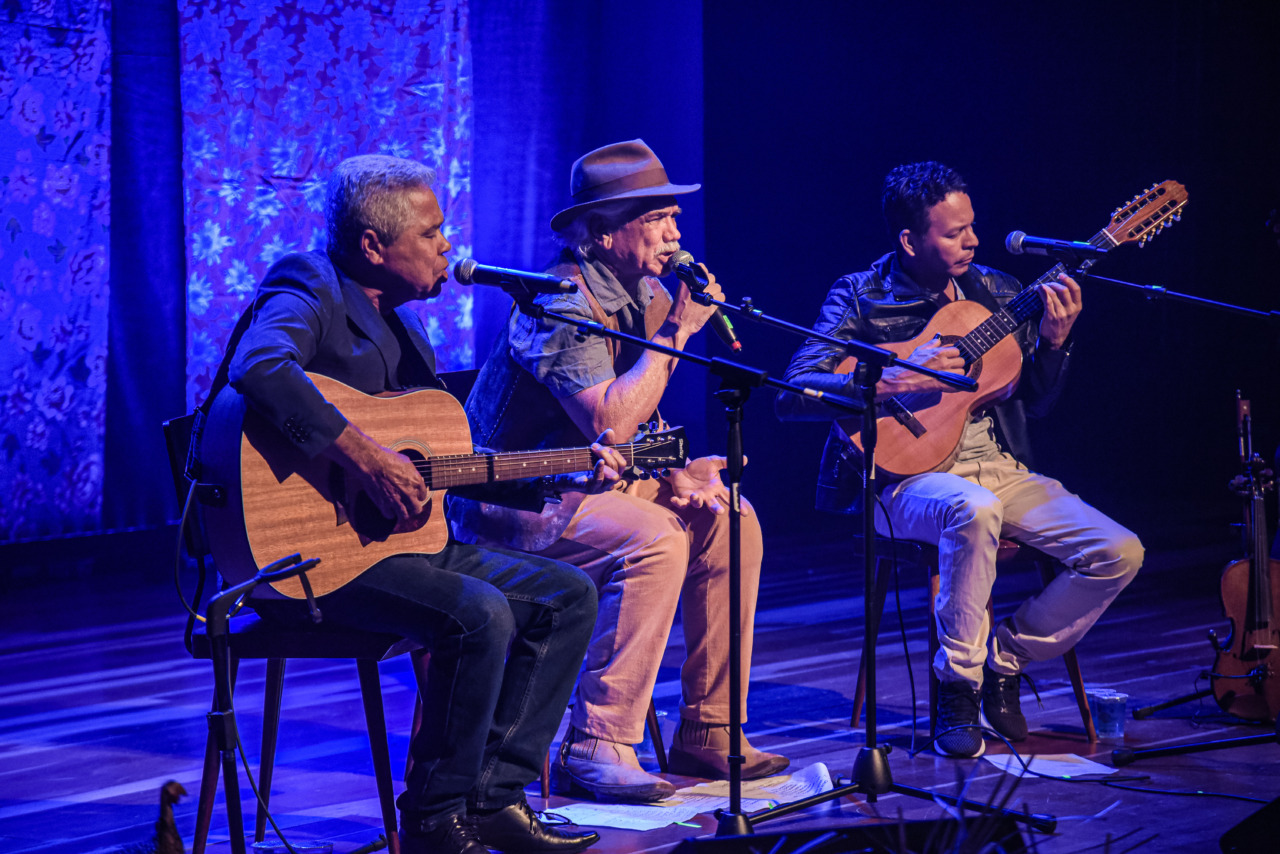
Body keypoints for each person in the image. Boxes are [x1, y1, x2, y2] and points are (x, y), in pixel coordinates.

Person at [218, 154, 611, 854]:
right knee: (478, 612)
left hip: (402, 546)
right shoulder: (312, 283)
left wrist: (572, 472)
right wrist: (365, 459)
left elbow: (443, 468)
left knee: (568, 596)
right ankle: (432, 820)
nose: (448, 247)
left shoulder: (402, 323)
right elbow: (259, 365)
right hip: (310, 554)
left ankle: (493, 800)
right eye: (432, 233)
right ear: (373, 245)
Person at [452, 139, 788, 802]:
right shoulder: (560, 305)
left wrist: (679, 473)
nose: (675, 232)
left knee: (730, 518)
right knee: (653, 538)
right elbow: (611, 420)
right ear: (604, 233)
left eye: (674, 217)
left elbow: (644, 426)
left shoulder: (647, 293)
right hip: (514, 503)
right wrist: (676, 336)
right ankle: (598, 743)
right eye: (657, 218)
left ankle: (710, 730)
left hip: (585, 484)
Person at [776, 161, 1144, 758]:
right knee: (970, 511)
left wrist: (1054, 344)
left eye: (972, 227)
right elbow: (795, 392)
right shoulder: (858, 294)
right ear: (909, 239)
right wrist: (886, 380)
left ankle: (1004, 658)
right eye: (953, 233)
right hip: (899, 480)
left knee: (1119, 551)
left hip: (994, 464)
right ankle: (958, 688)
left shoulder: (997, 292)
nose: (971, 240)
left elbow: (1039, 403)